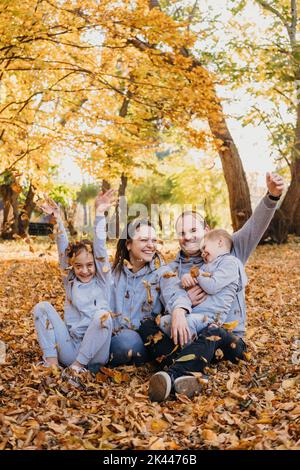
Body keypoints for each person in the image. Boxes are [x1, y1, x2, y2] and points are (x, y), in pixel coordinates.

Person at [139, 172, 284, 401]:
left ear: (206, 229)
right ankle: (189, 376)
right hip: (188, 335)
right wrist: (179, 308)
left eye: (193, 231)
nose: (187, 237)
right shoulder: (170, 268)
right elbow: (171, 291)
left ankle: (173, 373)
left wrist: (272, 197)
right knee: (147, 325)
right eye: (182, 234)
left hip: (225, 339)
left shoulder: (228, 251)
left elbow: (254, 226)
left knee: (212, 330)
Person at [32, 189, 115, 387]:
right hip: (70, 347)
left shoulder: (103, 280)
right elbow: (63, 250)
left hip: (96, 353)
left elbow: (101, 247)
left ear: (96, 263)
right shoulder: (70, 281)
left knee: (103, 316)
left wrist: (99, 214)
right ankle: (51, 364)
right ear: (72, 267)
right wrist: (58, 219)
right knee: (41, 307)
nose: (85, 270)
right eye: (78, 266)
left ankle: (78, 368)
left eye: (89, 265)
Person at [108, 217, 193, 367]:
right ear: (128, 244)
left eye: (154, 240)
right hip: (110, 336)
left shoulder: (161, 272)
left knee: (128, 341)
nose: (151, 245)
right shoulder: (113, 272)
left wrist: (179, 311)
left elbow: (175, 292)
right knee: (120, 340)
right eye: (144, 240)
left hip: (143, 342)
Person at [158, 228, 247, 342]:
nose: (203, 253)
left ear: (220, 242)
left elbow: (212, 286)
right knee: (164, 321)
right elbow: (196, 281)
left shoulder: (230, 263)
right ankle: (182, 345)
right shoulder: (208, 265)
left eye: (204, 247)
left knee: (188, 325)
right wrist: (187, 278)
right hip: (197, 313)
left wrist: (197, 273)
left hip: (211, 318)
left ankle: (187, 354)